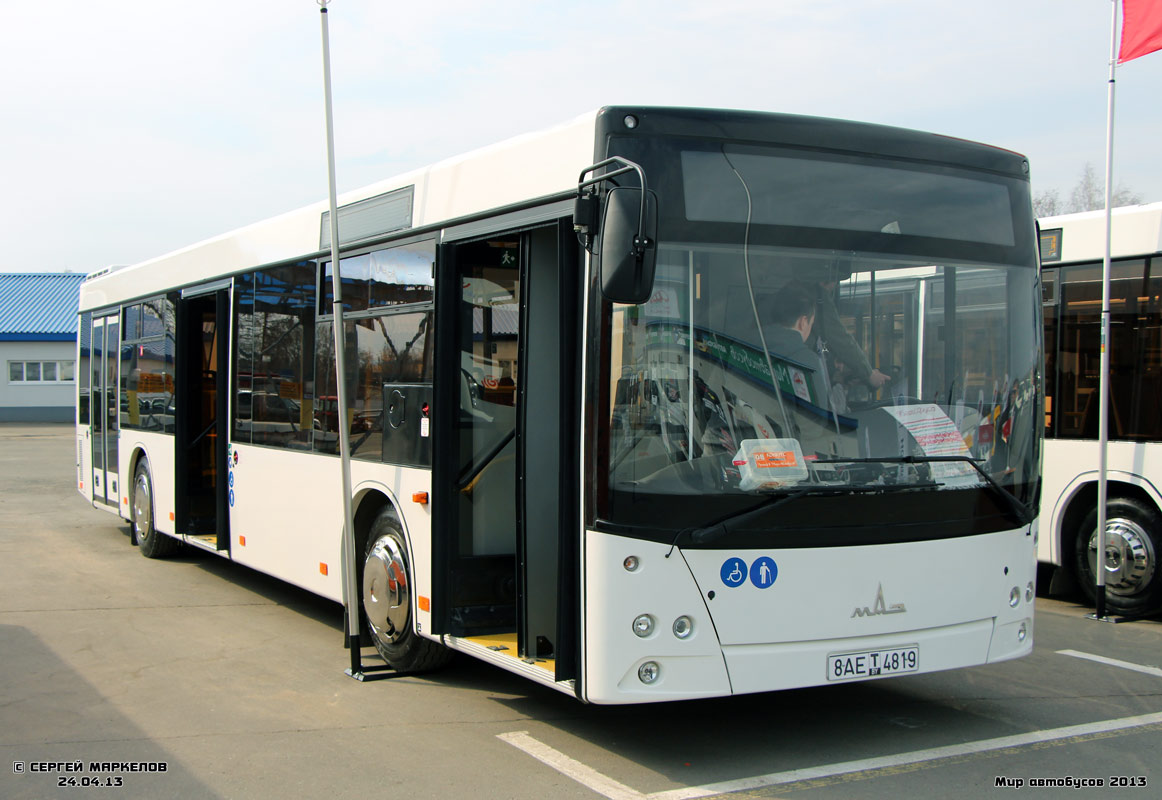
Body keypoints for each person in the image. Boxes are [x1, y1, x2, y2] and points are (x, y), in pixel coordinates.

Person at [806, 261, 891, 391]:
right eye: (836, 281)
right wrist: (869, 374)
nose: (834, 287)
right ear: (827, 278)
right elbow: (839, 337)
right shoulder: (816, 296)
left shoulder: (798, 291)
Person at [762, 281, 830, 409]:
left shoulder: (746, 344)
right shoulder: (806, 361)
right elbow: (816, 420)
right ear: (803, 322)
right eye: (811, 324)